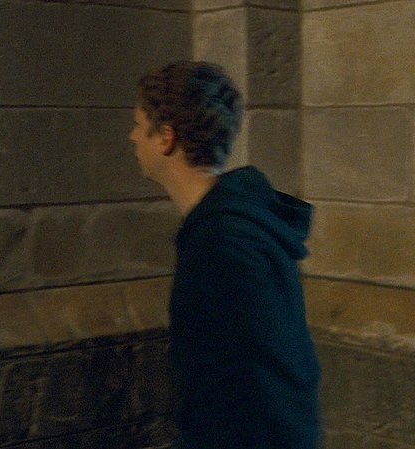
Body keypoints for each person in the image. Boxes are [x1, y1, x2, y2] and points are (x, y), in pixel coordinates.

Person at [130, 60, 322, 449]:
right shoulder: (225, 225)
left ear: (165, 137)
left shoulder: (224, 240)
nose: (132, 136)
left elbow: (265, 377)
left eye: (138, 124)